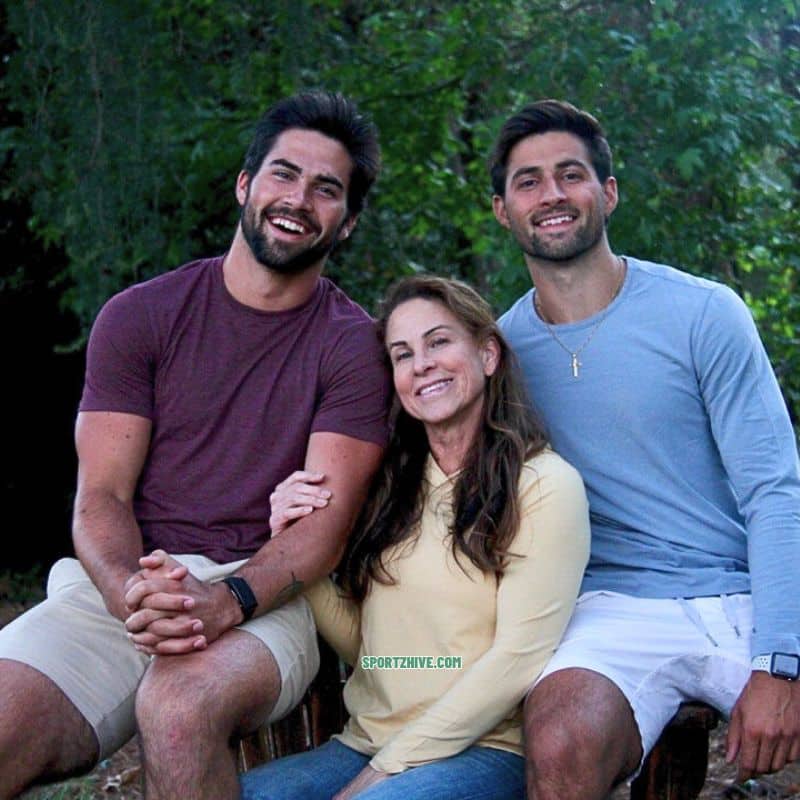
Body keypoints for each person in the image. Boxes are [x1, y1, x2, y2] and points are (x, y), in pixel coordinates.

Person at [0, 90, 393, 800]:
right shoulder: (140, 316)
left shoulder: (353, 347)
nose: (298, 199)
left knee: (178, 709)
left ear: (349, 221)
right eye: (283, 173)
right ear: (245, 184)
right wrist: (131, 595)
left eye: (326, 189)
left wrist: (230, 598)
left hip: (269, 594)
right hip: (125, 587)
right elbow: (102, 496)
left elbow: (321, 532)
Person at [489, 99, 800, 799]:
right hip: (611, 605)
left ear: (609, 192)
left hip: (745, 587)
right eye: (528, 181)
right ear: (503, 210)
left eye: (571, 175)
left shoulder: (703, 312)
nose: (553, 195)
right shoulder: (499, 355)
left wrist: (780, 662)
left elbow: (775, 491)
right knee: (560, 740)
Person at [239, 275, 590, 800]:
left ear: (488, 354)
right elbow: (373, 652)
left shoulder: (543, 486)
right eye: (402, 354)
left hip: (485, 749)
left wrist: (385, 771)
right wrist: (294, 544)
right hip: (366, 742)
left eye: (439, 341)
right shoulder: (392, 485)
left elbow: (517, 659)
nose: (421, 363)